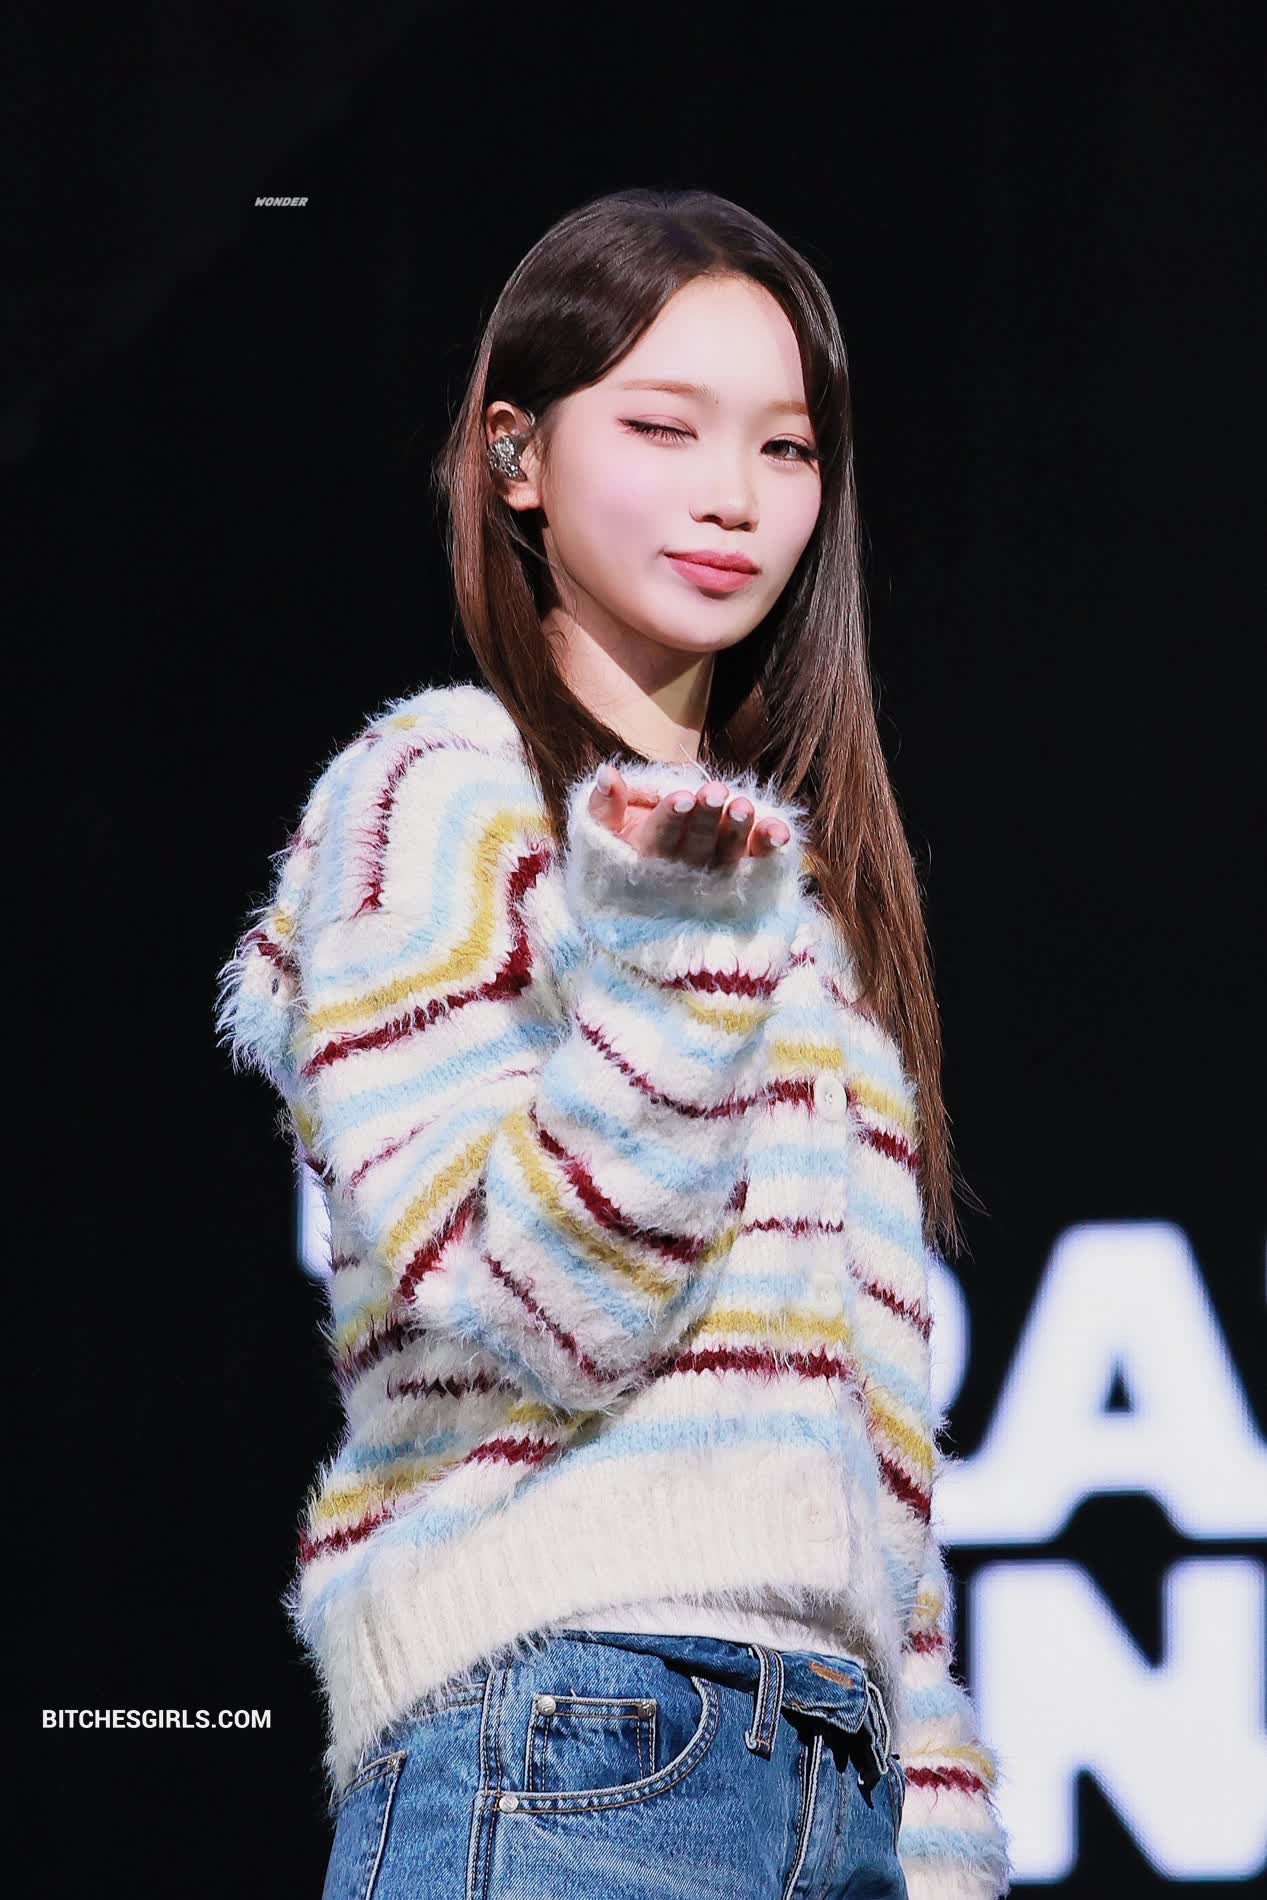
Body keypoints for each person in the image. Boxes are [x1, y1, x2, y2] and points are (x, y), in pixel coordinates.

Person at [216, 187, 1012, 1900]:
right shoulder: (436, 793)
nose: (735, 495)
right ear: (517, 454)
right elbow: (542, 1311)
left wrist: (941, 1843)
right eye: (664, 427)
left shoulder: (802, 916)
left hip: (835, 1786)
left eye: (786, 448)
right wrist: (678, 945)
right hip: (565, 1736)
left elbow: (879, 1493)